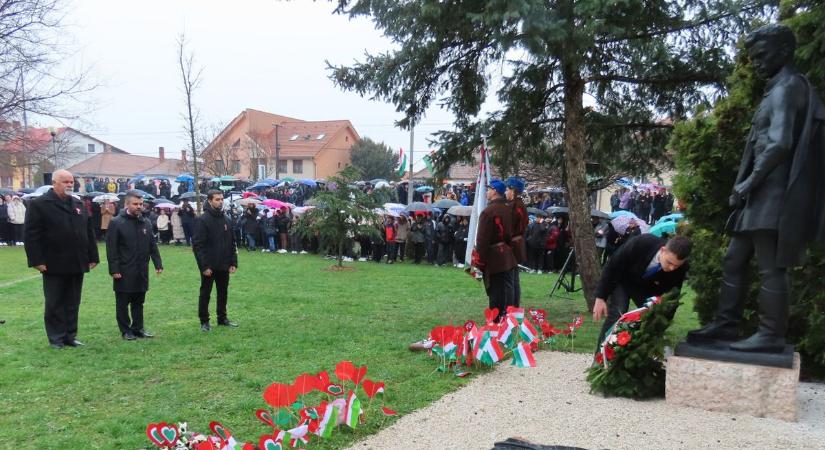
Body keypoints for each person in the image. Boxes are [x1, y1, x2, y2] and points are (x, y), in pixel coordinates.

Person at [688, 24, 825, 352]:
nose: (757, 63)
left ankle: (770, 334)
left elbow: (778, 143)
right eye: (753, 58)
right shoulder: (780, 86)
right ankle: (726, 325)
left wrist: (748, 183)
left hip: (774, 192)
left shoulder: (787, 87)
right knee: (734, 259)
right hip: (761, 193)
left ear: (785, 51)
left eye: (762, 56)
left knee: (770, 265)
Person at [24, 169, 99, 349]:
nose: (69, 185)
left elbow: (88, 231)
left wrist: (93, 255)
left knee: (73, 301)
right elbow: (31, 235)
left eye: (71, 182)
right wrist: (36, 260)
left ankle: (70, 335)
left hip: (77, 260)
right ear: (54, 183)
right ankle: (56, 338)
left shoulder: (78, 203)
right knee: (55, 301)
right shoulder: (40, 204)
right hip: (53, 262)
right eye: (65, 182)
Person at [592, 234, 692, 347]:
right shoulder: (641, 243)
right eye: (669, 262)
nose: (672, 268)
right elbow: (613, 265)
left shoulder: (680, 269)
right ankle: (601, 357)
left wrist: (662, 322)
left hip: (646, 289)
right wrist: (600, 297)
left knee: (651, 321)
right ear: (663, 250)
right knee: (617, 314)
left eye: (676, 265)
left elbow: (672, 296)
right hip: (624, 280)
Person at [106, 191, 163, 340]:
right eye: (135, 204)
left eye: (141, 204)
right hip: (124, 270)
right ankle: (125, 330)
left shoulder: (146, 222)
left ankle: (138, 328)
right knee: (123, 302)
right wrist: (114, 269)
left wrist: (158, 263)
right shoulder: (116, 222)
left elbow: (152, 245)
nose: (139, 207)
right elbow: (111, 248)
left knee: (139, 301)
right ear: (127, 204)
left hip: (141, 269)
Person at [193, 190, 239, 331]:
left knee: (223, 292)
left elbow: (232, 243)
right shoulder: (203, 220)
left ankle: (222, 318)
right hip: (209, 265)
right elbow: (198, 245)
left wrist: (233, 262)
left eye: (221, 199)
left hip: (224, 264)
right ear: (209, 201)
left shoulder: (227, 219)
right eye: (217, 199)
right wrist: (204, 266)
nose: (220, 201)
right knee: (205, 293)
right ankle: (204, 321)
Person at [472, 179, 517, 322]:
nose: (487, 192)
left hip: (495, 259)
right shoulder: (510, 208)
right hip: (509, 256)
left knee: (496, 292)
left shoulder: (488, 212)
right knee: (508, 290)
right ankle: (508, 321)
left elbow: (482, 240)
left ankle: (497, 323)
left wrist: (479, 261)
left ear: (495, 191)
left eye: (489, 189)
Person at [506, 177, 528, 307]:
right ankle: (513, 306)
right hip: (515, 243)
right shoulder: (516, 205)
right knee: (513, 278)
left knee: (511, 279)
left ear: (514, 191)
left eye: (508, 189)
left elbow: (511, 226)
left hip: (513, 245)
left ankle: (512, 307)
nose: (506, 192)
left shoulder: (516, 206)